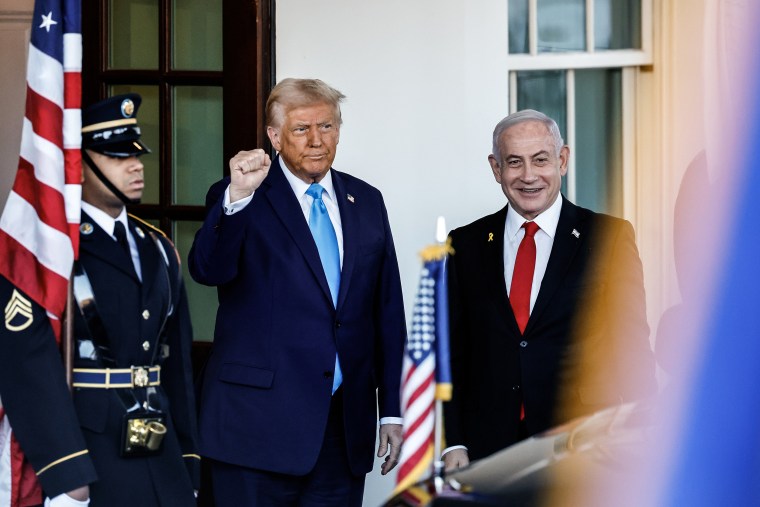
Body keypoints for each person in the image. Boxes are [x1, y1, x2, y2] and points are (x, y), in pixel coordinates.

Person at [188, 78, 407, 506]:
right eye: (302, 129)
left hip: (341, 431)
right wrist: (237, 197)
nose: (316, 141)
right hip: (255, 430)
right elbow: (208, 269)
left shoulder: (366, 200)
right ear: (274, 136)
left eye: (326, 127)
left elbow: (386, 311)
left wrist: (393, 408)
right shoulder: (240, 196)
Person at [0, 94, 200, 505]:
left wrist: (189, 457)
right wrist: (65, 470)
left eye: (136, 154)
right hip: (89, 448)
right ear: (80, 164)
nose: (135, 165)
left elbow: (176, 365)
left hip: (160, 451)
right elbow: (25, 362)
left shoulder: (157, 247)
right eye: (115, 156)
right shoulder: (50, 253)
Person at [442, 109, 657, 471]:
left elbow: (632, 343)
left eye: (540, 160)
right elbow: (453, 352)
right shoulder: (464, 244)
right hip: (488, 448)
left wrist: (646, 433)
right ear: (497, 169)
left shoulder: (609, 238)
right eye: (514, 162)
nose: (528, 176)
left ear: (562, 160)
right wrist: (454, 442)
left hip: (585, 443)